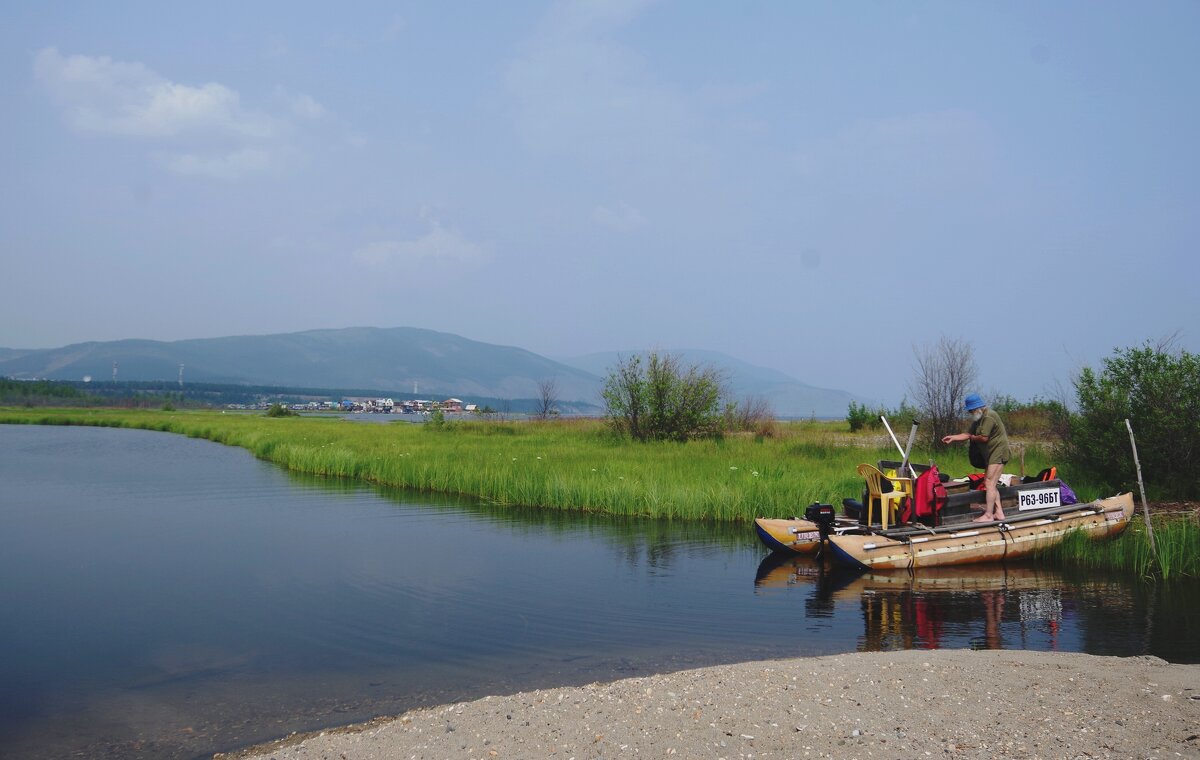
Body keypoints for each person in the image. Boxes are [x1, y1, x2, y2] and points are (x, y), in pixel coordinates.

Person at [942, 393, 1011, 522]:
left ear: (977, 408)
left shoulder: (989, 416)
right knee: (991, 483)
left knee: (989, 483)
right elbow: (968, 434)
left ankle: (989, 515)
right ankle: (999, 513)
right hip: (991, 455)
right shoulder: (978, 419)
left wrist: (972, 438)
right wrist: (953, 437)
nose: (970, 412)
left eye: (971, 410)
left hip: (999, 453)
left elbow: (983, 438)